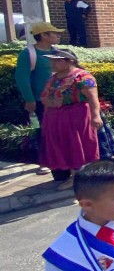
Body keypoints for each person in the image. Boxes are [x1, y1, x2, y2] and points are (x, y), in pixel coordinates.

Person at [39, 49, 102, 190]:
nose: (53, 63)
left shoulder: (84, 78)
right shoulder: (54, 78)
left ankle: (78, 176)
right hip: (56, 117)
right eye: (52, 60)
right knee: (63, 146)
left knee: (77, 146)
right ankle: (73, 175)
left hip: (76, 117)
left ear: (70, 61)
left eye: (57, 60)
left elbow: (93, 98)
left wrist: (96, 116)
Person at [15, 22, 63, 176]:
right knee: (43, 131)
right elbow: (22, 78)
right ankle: (44, 162)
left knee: (59, 132)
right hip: (40, 102)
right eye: (54, 33)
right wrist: (30, 99)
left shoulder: (57, 52)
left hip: (59, 101)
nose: (58, 36)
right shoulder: (28, 54)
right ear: (43, 35)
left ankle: (61, 160)